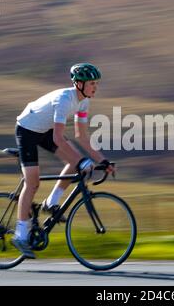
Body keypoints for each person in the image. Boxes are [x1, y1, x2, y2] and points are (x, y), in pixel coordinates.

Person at [12, 63, 115, 258]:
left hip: (45, 129)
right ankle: (20, 234)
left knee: (75, 162)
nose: (95, 87)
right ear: (79, 84)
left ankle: (50, 203)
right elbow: (58, 139)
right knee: (32, 182)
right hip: (27, 129)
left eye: (96, 83)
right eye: (92, 83)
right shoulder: (64, 100)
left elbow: (81, 136)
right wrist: (83, 161)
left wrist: (104, 160)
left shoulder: (83, 101)